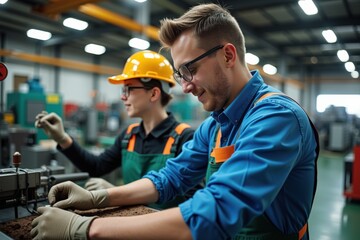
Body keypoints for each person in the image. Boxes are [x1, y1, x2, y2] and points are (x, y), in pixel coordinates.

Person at [31, 3, 319, 240]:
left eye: (189, 70)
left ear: (228, 55)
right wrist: (99, 198)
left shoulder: (276, 117)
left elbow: (217, 210)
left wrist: (85, 229)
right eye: (181, 75)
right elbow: (171, 177)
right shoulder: (216, 124)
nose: (185, 86)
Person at [34, 50, 197, 209]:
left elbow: (194, 202)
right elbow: (96, 167)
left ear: (154, 94)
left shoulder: (185, 138)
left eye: (128, 89)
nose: (122, 97)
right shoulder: (129, 135)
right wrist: (62, 138)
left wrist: (113, 191)